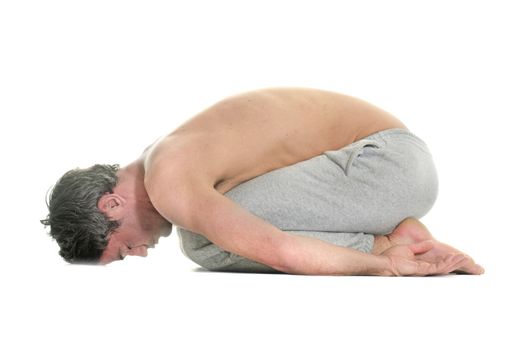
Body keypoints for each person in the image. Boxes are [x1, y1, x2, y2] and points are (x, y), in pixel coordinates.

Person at [41, 87, 484, 276]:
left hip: (385, 164)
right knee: (216, 224)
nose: (140, 253)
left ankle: (390, 241)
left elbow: (281, 250)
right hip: (390, 165)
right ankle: (392, 231)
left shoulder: (170, 180)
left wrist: (387, 267)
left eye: (124, 249)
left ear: (111, 206)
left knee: (202, 242)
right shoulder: (170, 155)